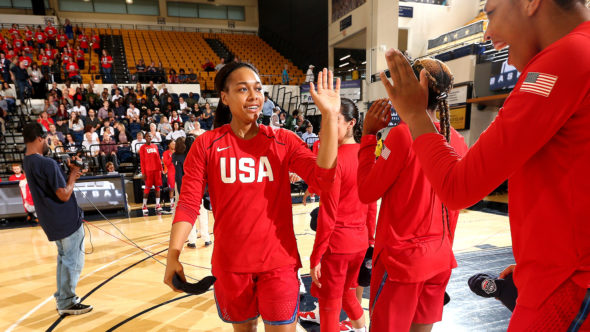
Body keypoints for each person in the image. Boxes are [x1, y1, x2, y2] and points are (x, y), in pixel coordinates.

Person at [378, 1, 590, 330]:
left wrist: (413, 117)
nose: (488, 33)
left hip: (565, 290)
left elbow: (454, 187)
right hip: (450, 261)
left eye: (490, 12)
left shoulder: (565, 57)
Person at [163, 62, 340, 331]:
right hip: (231, 267)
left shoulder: (283, 140)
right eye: (242, 89)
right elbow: (188, 203)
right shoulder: (206, 145)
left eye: (258, 89)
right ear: (224, 97)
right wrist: (172, 255)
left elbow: (323, 180)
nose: (254, 96)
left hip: (278, 263)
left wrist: (327, 117)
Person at [358, 58, 468, 332]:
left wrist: (368, 136)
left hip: (402, 263)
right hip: (439, 259)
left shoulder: (402, 136)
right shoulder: (457, 139)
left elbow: (367, 192)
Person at [307, 98, 369, 332]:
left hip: (337, 245)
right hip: (359, 243)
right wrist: (370, 239)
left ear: (351, 123)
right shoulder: (366, 156)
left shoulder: (336, 160)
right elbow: (371, 204)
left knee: (329, 307)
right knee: (348, 294)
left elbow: (328, 214)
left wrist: (316, 256)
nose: (327, 128)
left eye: (335, 121)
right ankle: (361, 329)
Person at [22, 122, 93, 316]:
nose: (47, 143)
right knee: (73, 261)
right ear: (39, 139)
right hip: (65, 219)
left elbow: (49, 182)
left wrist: (66, 171)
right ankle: (67, 302)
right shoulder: (47, 163)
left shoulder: (28, 161)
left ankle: (63, 297)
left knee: (64, 259)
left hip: (50, 219)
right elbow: (63, 194)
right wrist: (72, 175)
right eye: (46, 140)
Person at [139, 132, 163, 215]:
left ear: (151, 137)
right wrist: (143, 173)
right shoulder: (142, 148)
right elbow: (142, 161)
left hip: (157, 170)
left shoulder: (155, 146)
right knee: (147, 188)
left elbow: (158, 158)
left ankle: (157, 204)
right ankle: (144, 205)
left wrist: (161, 169)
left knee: (157, 188)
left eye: (150, 136)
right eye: (147, 136)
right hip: (148, 171)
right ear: (145, 138)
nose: (148, 137)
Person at [162, 140, 176, 209]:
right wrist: (172, 156)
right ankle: (172, 203)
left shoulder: (178, 152)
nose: (174, 145)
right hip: (170, 173)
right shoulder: (166, 153)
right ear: (169, 145)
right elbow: (166, 163)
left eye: (175, 144)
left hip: (178, 172)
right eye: (172, 144)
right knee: (172, 189)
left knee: (180, 188)